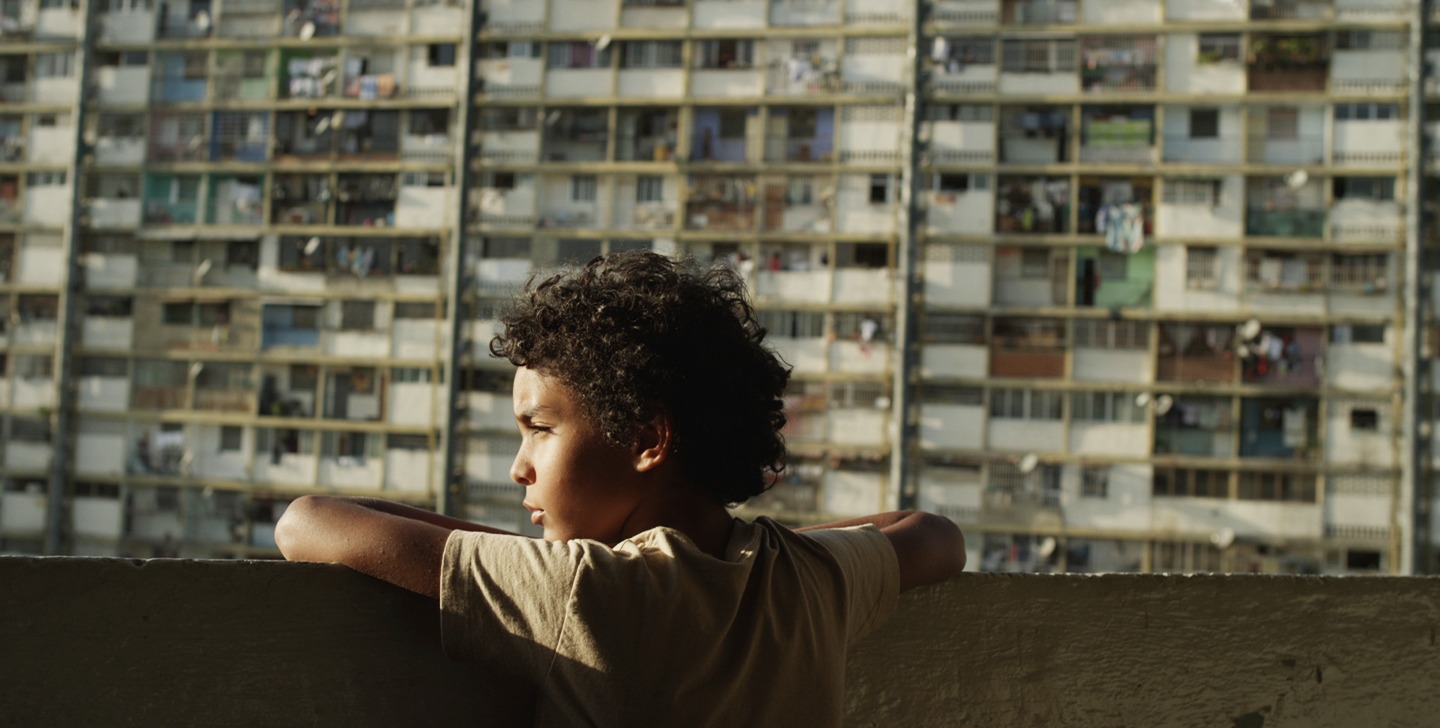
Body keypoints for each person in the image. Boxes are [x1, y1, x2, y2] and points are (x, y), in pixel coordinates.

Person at [275, 250, 965, 726]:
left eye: (540, 429)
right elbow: (936, 535)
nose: (520, 467)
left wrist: (536, 563)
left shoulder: (587, 591)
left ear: (647, 440)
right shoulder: (811, 579)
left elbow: (306, 521)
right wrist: (756, 556)